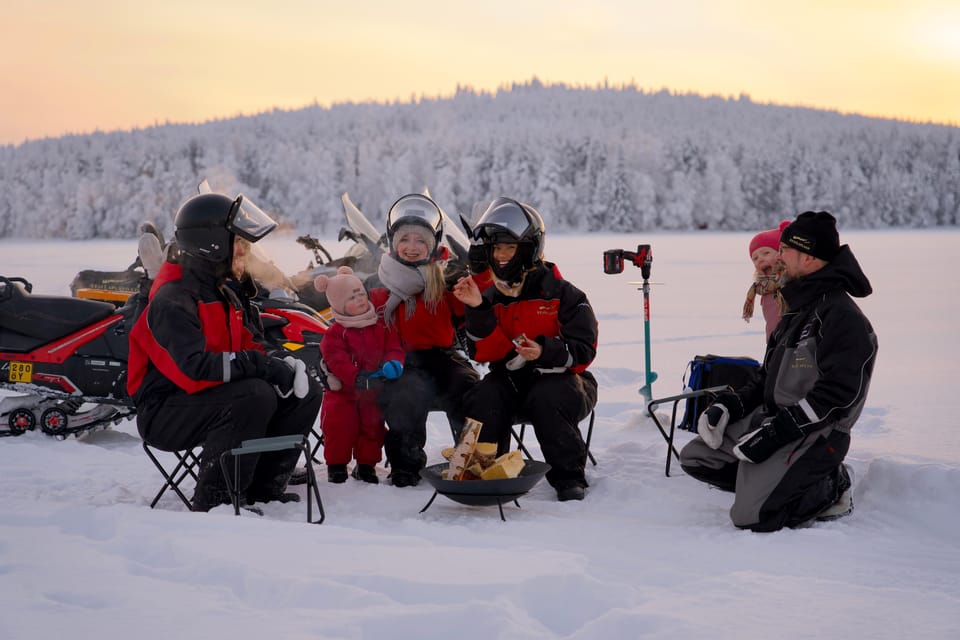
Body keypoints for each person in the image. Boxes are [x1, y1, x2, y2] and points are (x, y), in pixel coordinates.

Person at [680, 211, 877, 531]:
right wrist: (730, 405)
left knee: (753, 517)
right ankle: (769, 483)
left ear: (809, 258)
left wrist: (775, 434)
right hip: (773, 418)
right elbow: (766, 377)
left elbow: (840, 397)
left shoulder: (842, 317)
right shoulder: (797, 307)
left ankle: (829, 485)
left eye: (786, 249)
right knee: (697, 457)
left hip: (815, 432)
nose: (779, 255)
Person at [128, 192, 322, 512]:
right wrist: (258, 365)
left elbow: (251, 342)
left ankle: (265, 487)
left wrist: (278, 362)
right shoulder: (173, 298)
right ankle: (216, 498)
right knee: (253, 394)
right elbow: (192, 370)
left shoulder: (226, 290)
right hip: (164, 408)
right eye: (239, 243)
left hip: (211, 396)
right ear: (212, 244)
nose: (246, 251)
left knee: (305, 391)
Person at [452, 197, 599, 502]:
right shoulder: (489, 295)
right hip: (512, 380)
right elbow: (483, 355)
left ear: (530, 247)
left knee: (547, 395)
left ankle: (569, 476)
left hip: (568, 381)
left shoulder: (564, 293)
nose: (501, 255)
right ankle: (479, 471)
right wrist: (478, 308)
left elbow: (584, 349)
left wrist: (544, 352)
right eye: (495, 248)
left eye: (509, 247)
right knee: (483, 394)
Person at [368, 193, 481, 487]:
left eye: (420, 241)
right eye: (405, 240)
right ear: (393, 243)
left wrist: (472, 288)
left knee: (467, 386)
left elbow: (467, 311)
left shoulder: (443, 279)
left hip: (443, 355)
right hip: (400, 359)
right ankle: (406, 464)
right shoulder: (380, 282)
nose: (412, 247)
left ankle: (468, 459)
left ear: (432, 245)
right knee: (404, 395)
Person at [314, 266, 404, 484]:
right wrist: (355, 376)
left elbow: (394, 346)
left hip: (373, 388)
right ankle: (336, 465)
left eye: (361, 294)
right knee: (339, 427)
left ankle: (366, 465)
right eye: (352, 298)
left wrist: (394, 362)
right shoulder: (335, 333)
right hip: (343, 391)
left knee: (372, 426)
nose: (360, 300)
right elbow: (336, 360)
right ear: (339, 306)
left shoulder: (380, 324)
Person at [742, 220, 791, 340]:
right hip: (774, 345)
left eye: (766, 253)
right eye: (755, 258)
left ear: (781, 254)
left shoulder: (793, 282)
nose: (760, 260)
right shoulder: (763, 289)